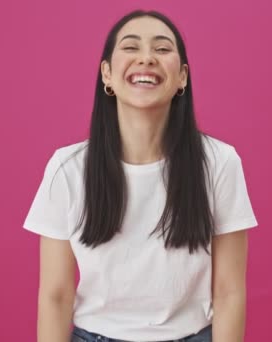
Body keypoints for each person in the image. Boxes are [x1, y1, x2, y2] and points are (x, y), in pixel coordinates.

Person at [23, 9, 259, 342]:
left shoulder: (219, 162)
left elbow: (229, 291)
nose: (146, 58)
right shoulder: (67, 168)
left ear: (182, 77)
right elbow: (56, 294)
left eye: (162, 49)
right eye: (131, 48)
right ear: (107, 73)